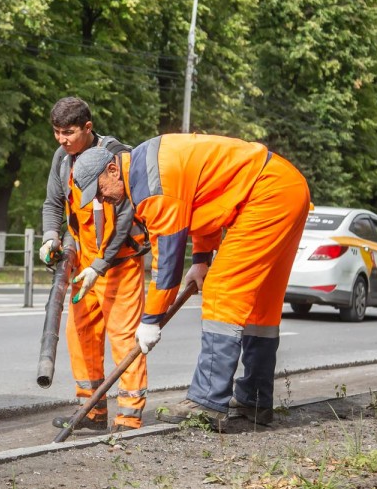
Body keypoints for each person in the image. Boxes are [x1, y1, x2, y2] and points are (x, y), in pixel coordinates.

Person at [70, 133, 311, 431]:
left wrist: (150, 320)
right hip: (285, 187)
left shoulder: (151, 189)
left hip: (264, 196)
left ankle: (208, 401)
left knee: (223, 292)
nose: (101, 198)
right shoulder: (147, 165)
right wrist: (200, 260)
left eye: (99, 190)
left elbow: (167, 267)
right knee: (261, 306)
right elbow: (204, 204)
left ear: (112, 169)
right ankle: (255, 399)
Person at [40, 97, 149, 433]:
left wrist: (100, 265)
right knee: (81, 335)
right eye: (56, 132)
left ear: (88, 127)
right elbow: (53, 204)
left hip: (120, 265)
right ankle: (92, 410)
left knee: (123, 338)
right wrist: (50, 237)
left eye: (68, 132)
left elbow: (127, 218)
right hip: (83, 264)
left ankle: (128, 418)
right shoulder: (62, 159)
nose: (61, 139)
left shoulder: (118, 161)